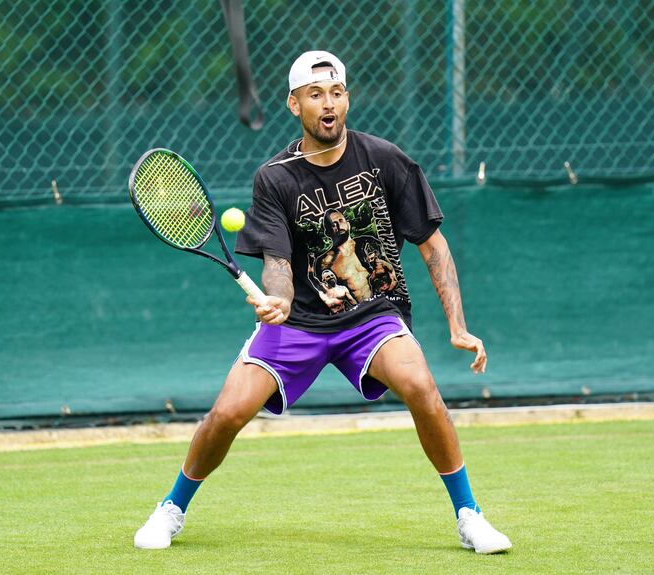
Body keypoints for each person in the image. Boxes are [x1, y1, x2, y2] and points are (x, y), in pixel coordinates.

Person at [134, 50, 512, 554]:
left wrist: (457, 326)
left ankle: (470, 515)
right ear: (295, 105)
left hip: (371, 313)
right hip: (299, 322)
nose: (328, 104)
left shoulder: (385, 159)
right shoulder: (275, 177)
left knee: (421, 385)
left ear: (347, 99)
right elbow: (277, 261)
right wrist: (280, 302)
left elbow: (433, 245)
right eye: (315, 95)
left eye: (336, 92)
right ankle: (171, 508)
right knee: (227, 413)